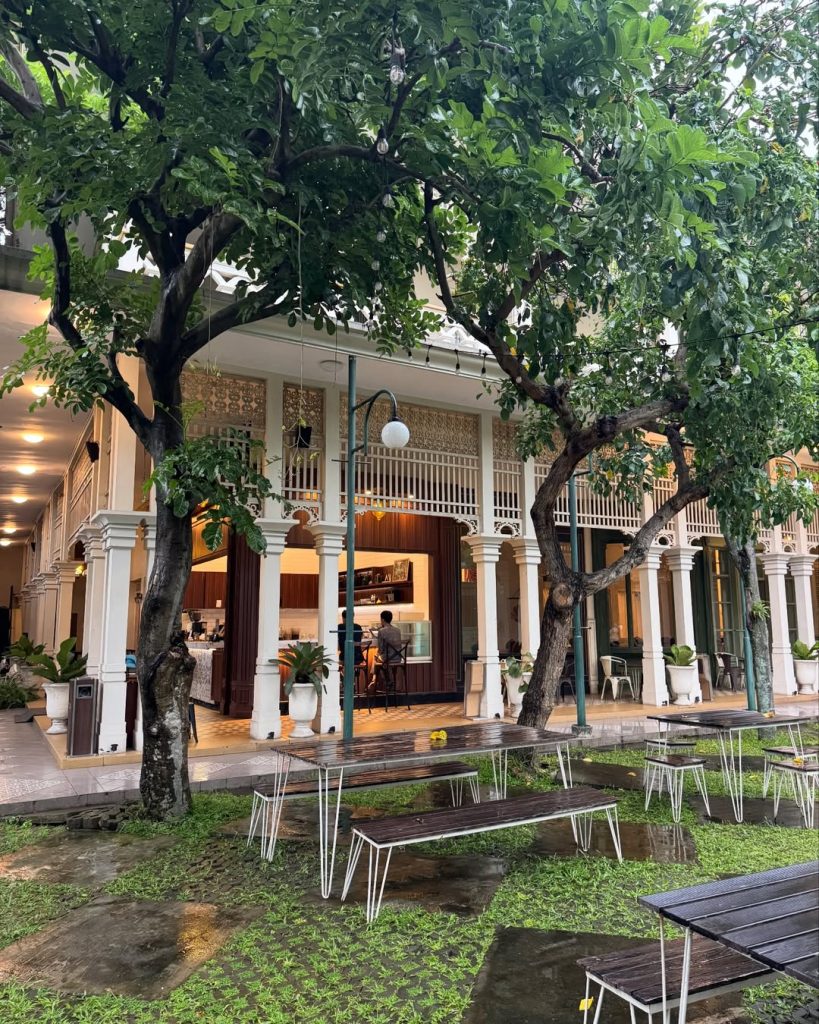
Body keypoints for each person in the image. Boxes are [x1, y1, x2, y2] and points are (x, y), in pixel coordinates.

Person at [369, 610, 403, 693]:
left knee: (376, 659)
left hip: (387, 658)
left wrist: (378, 654)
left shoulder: (381, 631)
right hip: (398, 658)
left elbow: (380, 649)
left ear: (383, 620)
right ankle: (387, 681)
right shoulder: (398, 630)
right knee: (380, 661)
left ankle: (376, 680)